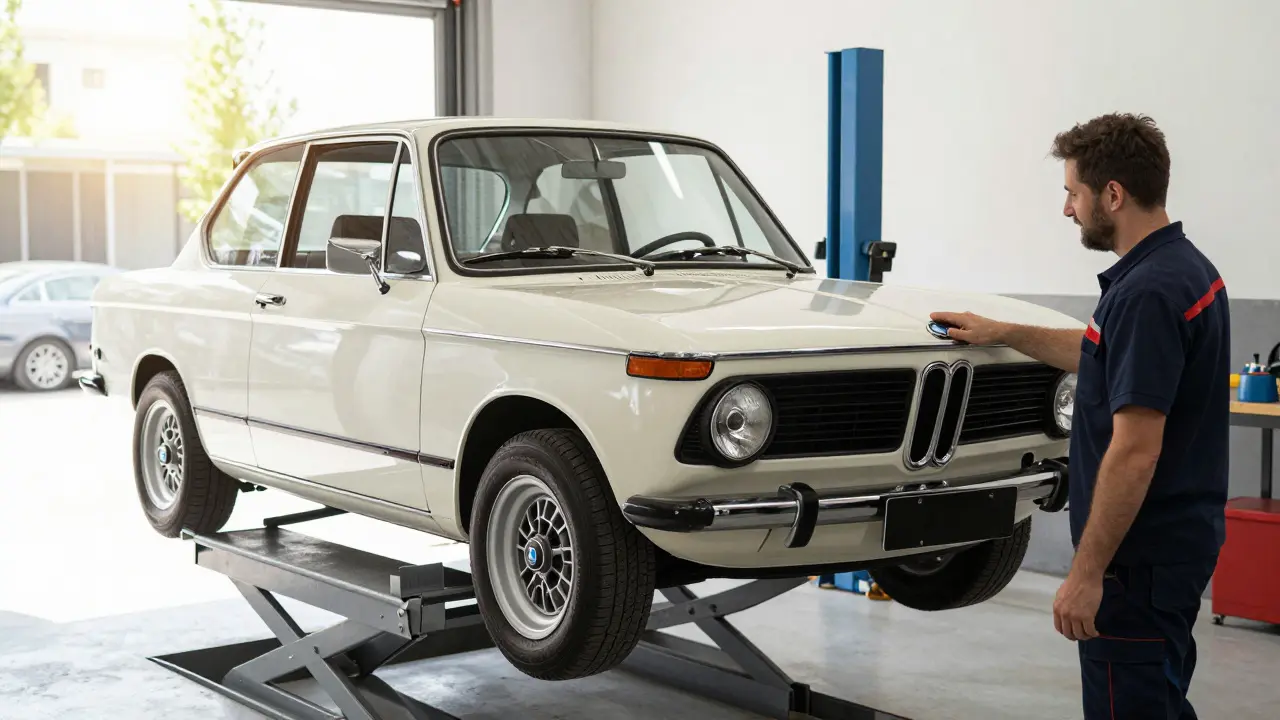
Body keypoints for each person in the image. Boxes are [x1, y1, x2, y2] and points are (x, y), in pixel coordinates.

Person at [931, 113, 1230, 719]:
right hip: (1171, 551)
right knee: (1162, 697)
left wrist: (1086, 573)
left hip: (1134, 564)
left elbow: (1135, 450)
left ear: (1112, 195)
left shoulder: (1147, 294)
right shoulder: (1181, 270)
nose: (1068, 209)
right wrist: (1003, 332)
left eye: (1073, 192)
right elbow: (1101, 352)